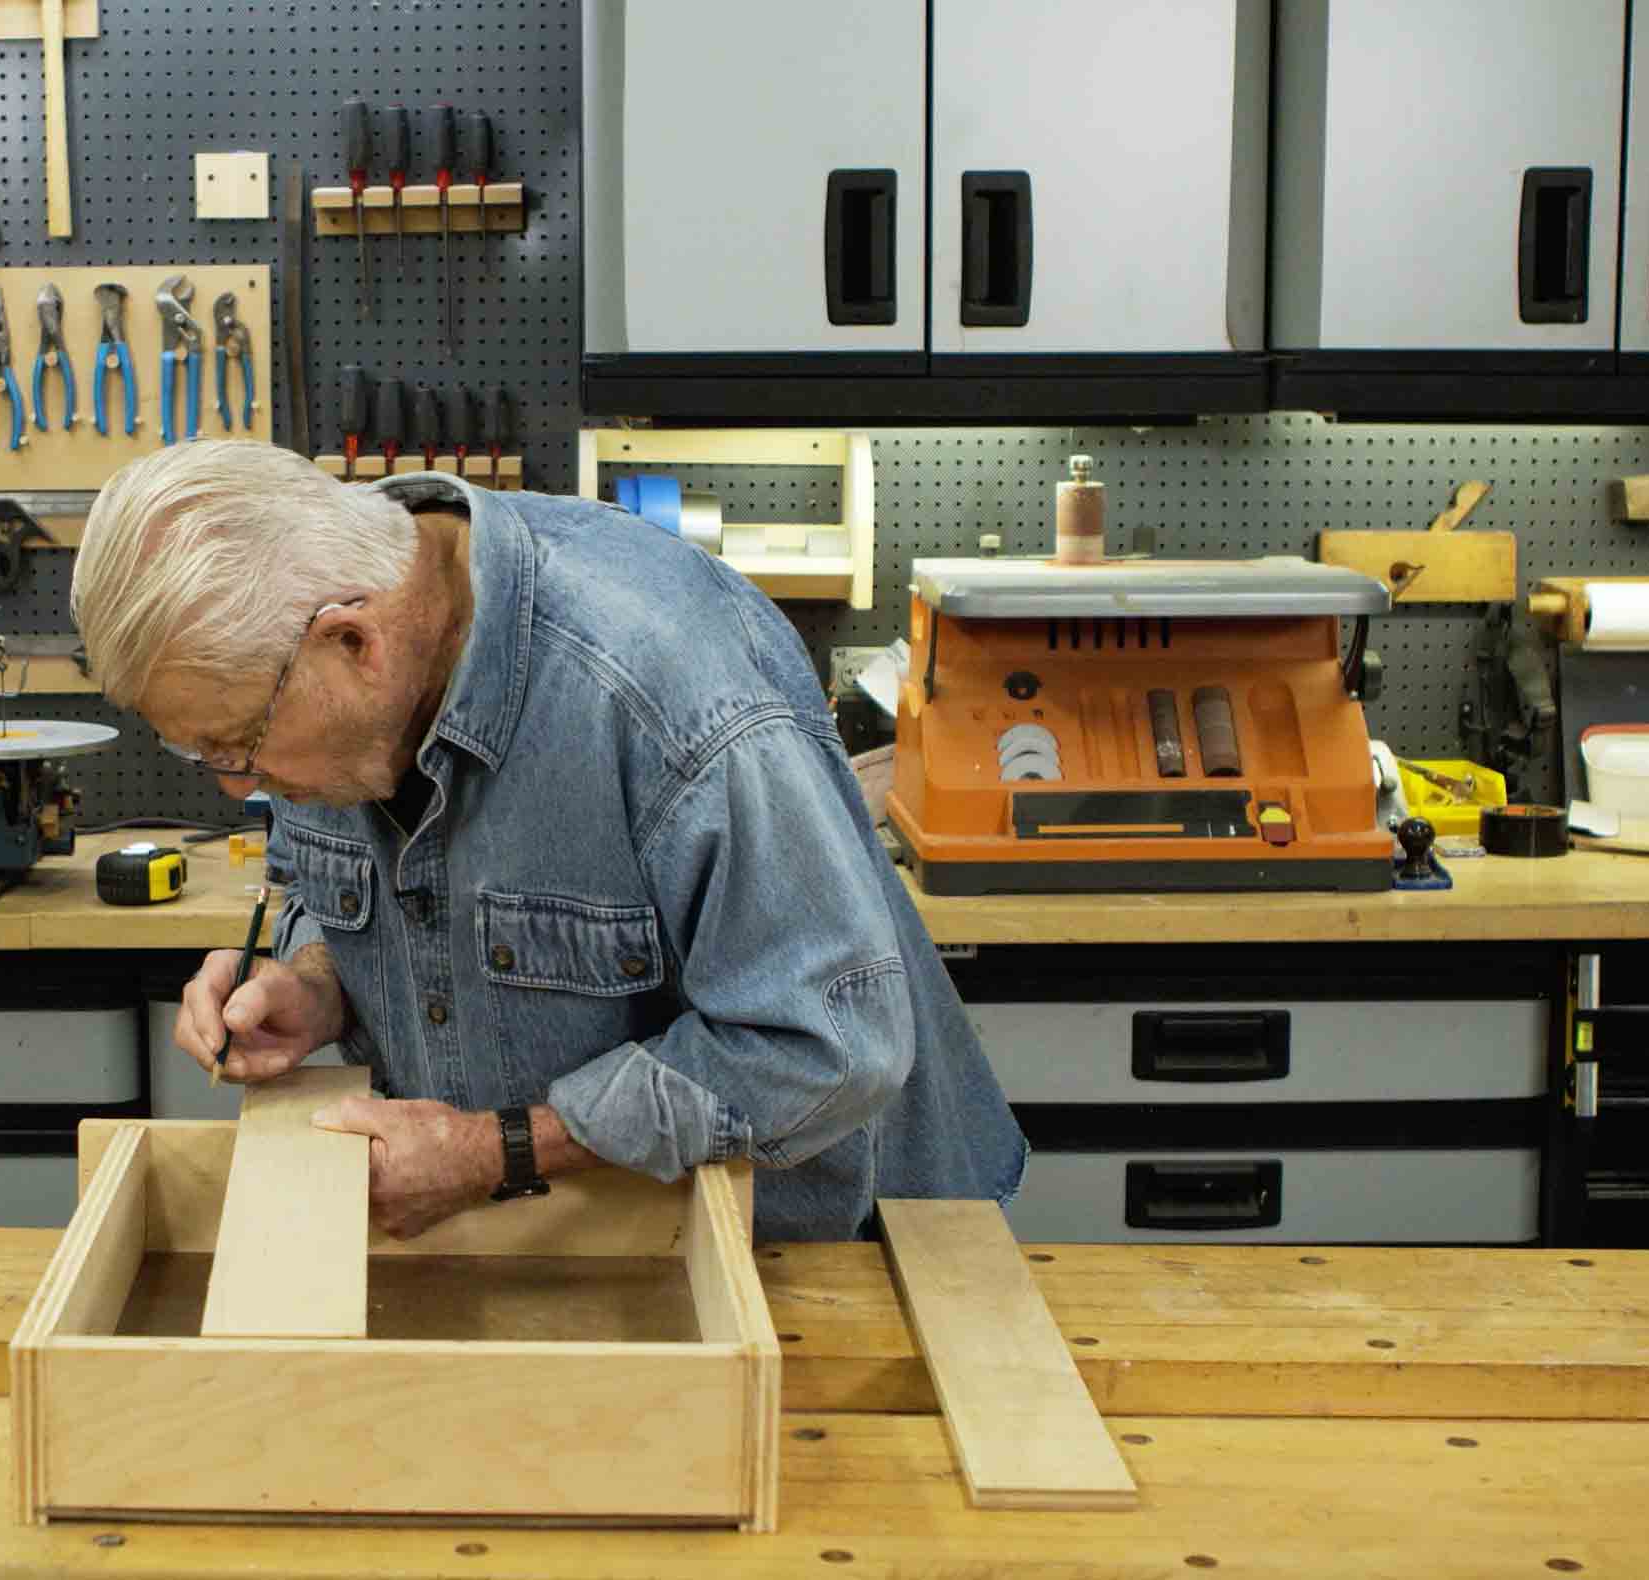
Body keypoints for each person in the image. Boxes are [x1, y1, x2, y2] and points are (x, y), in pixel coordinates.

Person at [70, 441, 1024, 1243]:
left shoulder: (671, 699)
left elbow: (827, 1047)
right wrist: (316, 984)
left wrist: (498, 1151)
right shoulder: (310, 627)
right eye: (201, 751)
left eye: (237, 742)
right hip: (548, 1245)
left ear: (352, 643)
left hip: (814, 1256)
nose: (238, 783)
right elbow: (360, 893)